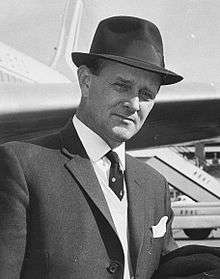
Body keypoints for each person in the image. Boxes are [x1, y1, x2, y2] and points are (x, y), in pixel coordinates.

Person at [0, 16, 183, 279]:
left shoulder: (155, 185)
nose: (134, 103)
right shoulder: (21, 166)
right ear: (85, 81)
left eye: (146, 94)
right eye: (122, 85)